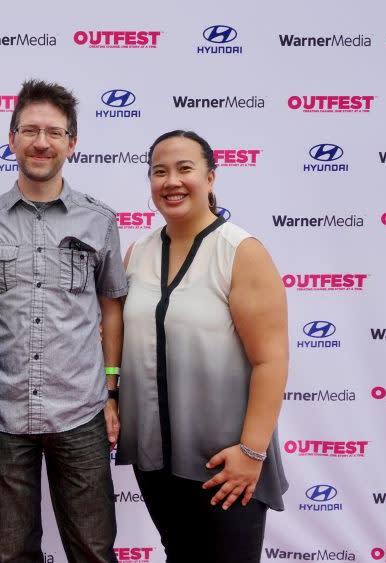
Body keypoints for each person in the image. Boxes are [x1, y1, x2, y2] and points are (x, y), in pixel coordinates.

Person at [0, 80, 125, 563]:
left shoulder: (100, 221)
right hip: (4, 417)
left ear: (71, 143)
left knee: (93, 551)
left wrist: (112, 391)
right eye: (30, 130)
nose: (42, 141)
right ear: (12, 138)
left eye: (54, 132)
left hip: (81, 413)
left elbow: (112, 304)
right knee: (13, 553)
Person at [116, 130, 289, 563]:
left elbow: (271, 360)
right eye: (159, 172)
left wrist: (252, 453)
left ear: (211, 177)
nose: (171, 181)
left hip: (226, 462)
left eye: (184, 169)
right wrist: (111, 393)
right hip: (155, 458)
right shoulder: (138, 251)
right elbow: (120, 339)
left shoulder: (240, 251)